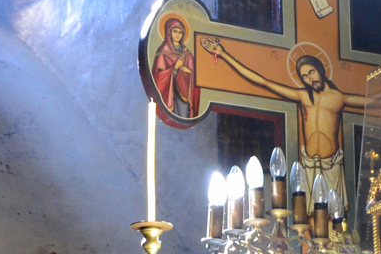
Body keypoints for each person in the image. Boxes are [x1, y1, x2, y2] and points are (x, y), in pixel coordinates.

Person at [200, 36, 362, 209]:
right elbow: (262, 81)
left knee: (334, 220)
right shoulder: (302, 96)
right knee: (310, 221)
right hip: (308, 164)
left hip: (333, 166)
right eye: (304, 77)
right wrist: (223, 54)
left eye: (312, 72)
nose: (309, 79)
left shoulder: (339, 98)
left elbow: (373, 102)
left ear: (320, 69)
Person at [149, 16, 198, 118]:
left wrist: (187, 72)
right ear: (169, 33)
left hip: (183, 95)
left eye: (180, 32)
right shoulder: (163, 52)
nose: (177, 35)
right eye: (175, 31)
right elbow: (158, 79)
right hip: (168, 95)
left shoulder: (187, 54)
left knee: (182, 116)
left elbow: (194, 80)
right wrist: (174, 69)